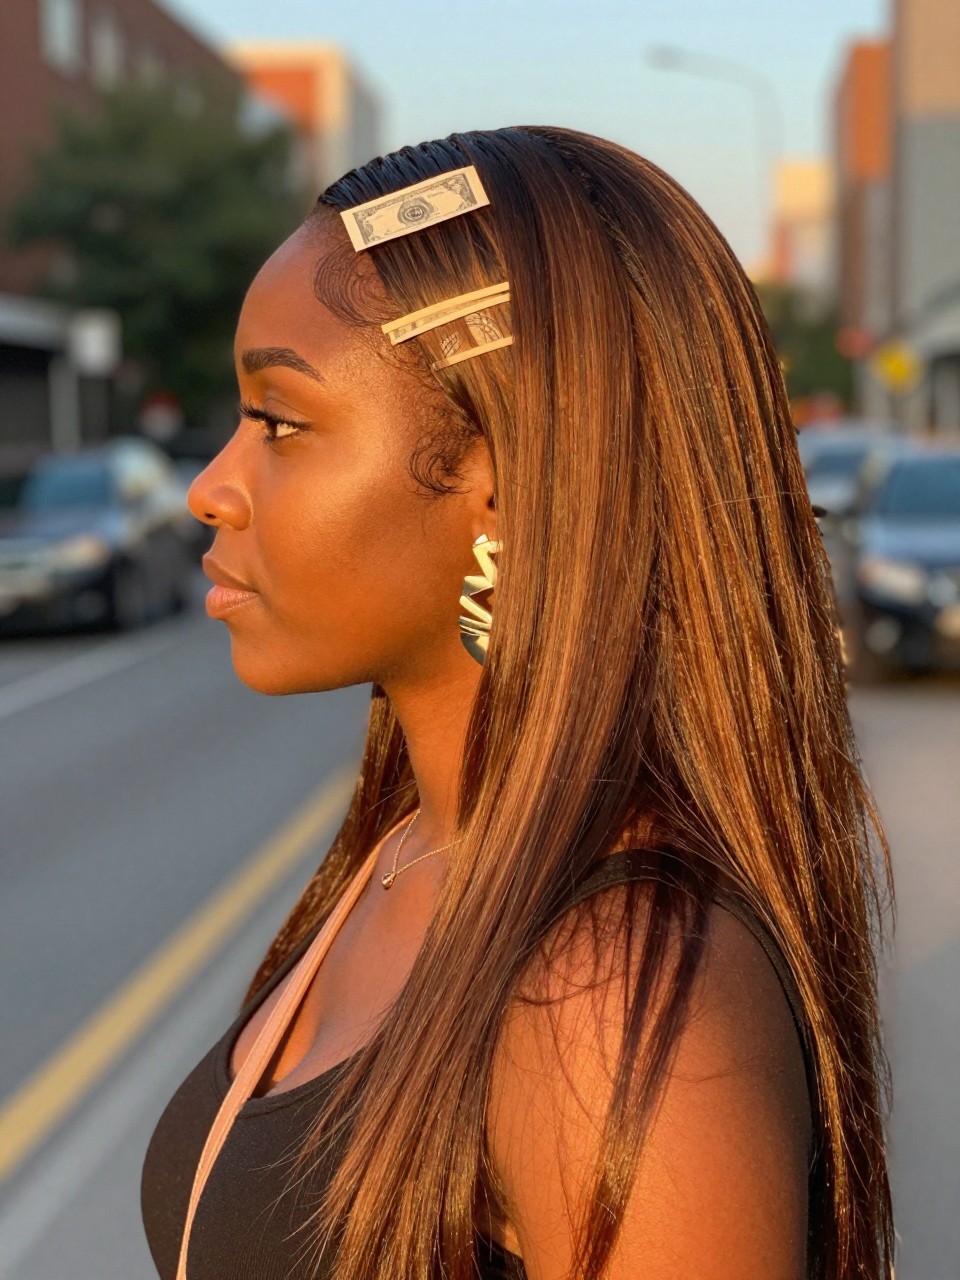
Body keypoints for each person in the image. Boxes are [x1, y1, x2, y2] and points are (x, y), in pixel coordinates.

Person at [140, 126, 895, 1280]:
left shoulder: (611, 988)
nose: (212, 488)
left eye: (281, 422)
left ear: (505, 478)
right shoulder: (406, 850)